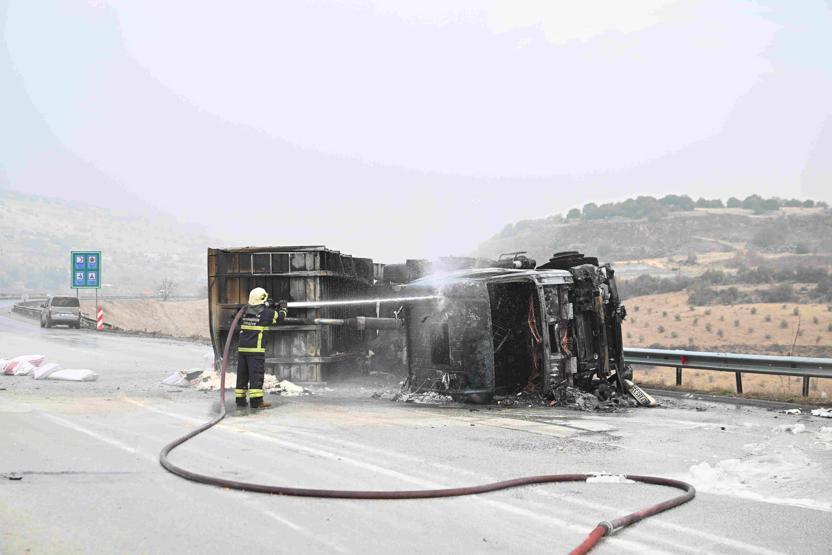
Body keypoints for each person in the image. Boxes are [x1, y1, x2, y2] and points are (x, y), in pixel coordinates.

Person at [236, 287, 288, 409]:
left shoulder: (243, 311)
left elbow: (241, 320)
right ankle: (256, 402)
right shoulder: (266, 314)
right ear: (262, 299)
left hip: (242, 351)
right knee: (256, 376)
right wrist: (283, 307)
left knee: (242, 376)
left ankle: (240, 400)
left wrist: (268, 305)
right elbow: (280, 317)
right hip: (255, 351)